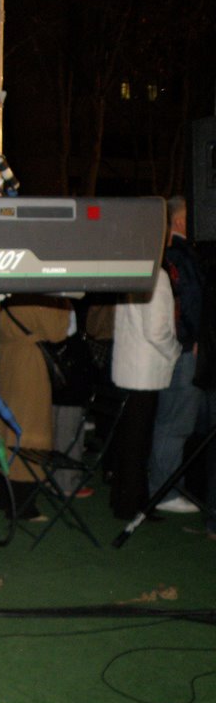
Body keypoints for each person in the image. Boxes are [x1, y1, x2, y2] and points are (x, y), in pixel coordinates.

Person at [109, 268, 180, 520]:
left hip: (128, 365)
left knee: (129, 440)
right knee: (138, 442)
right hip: (146, 370)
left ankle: (123, 500)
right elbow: (156, 329)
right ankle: (133, 505)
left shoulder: (131, 270)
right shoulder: (156, 276)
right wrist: (176, 351)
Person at [148, 197, 204, 514]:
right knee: (176, 421)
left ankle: (163, 486)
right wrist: (193, 338)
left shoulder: (163, 253)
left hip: (175, 347)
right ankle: (165, 491)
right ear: (181, 222)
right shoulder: (182, 256)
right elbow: (191, 300)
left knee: (169, 419)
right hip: (185, 350)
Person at [0, 295, 75, 519]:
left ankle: (4, 493)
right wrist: (65, 303)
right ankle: (23, 504)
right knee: (30, 429)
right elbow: (57, 331)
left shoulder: (10, 290)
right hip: (30, 365)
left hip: (8, 358)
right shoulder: (42, 295)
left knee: (6, 427)